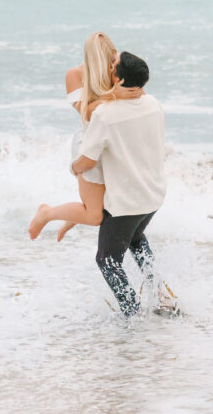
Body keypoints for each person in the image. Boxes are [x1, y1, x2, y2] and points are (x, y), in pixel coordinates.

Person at [71, 51, 176, 316]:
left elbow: (86, 160)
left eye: (113, 64)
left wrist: (73, 168)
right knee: (136, 239)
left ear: (118, 79)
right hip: (152, 195)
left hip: (126, 203)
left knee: (107, 260)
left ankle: (132, 313)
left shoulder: (106, 115)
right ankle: (161, 296)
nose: (109, 65)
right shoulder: (153, 103)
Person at [28, 32, 142, 242]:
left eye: (112, 58)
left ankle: (72, 217)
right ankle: (47, 213)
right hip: (89, 143)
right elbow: (85, 112)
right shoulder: (75, 75)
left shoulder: (114, 72)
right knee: (95, 215)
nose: (110, 65)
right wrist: (115, 95)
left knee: (108, 204)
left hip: (114, 142)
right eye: (106, 59)